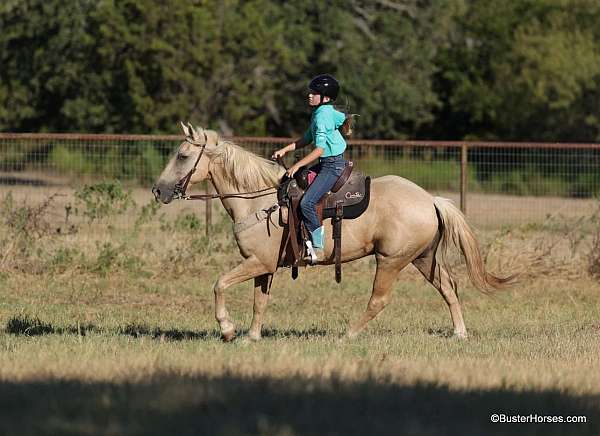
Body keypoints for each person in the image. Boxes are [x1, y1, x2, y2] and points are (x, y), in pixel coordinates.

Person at [272, 74, 348, 264]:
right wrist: (285, 150)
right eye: (311, 92)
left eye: (315, 93)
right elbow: (307, 138)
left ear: (326, 98)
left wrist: (297, 165)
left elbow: (319, 149)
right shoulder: (323, 111)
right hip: (326, 162)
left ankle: (318, 248)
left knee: (307, 202)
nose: (310, 95)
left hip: (332, 166)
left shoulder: (322, 116)